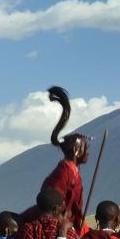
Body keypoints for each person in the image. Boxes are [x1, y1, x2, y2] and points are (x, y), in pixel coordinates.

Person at [38, 86, 90, 231]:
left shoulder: (71, 170)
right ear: (75, 150)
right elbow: (52, 203)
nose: (88, 152)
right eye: (86, 148)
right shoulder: (64, 171)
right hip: (59, 226)